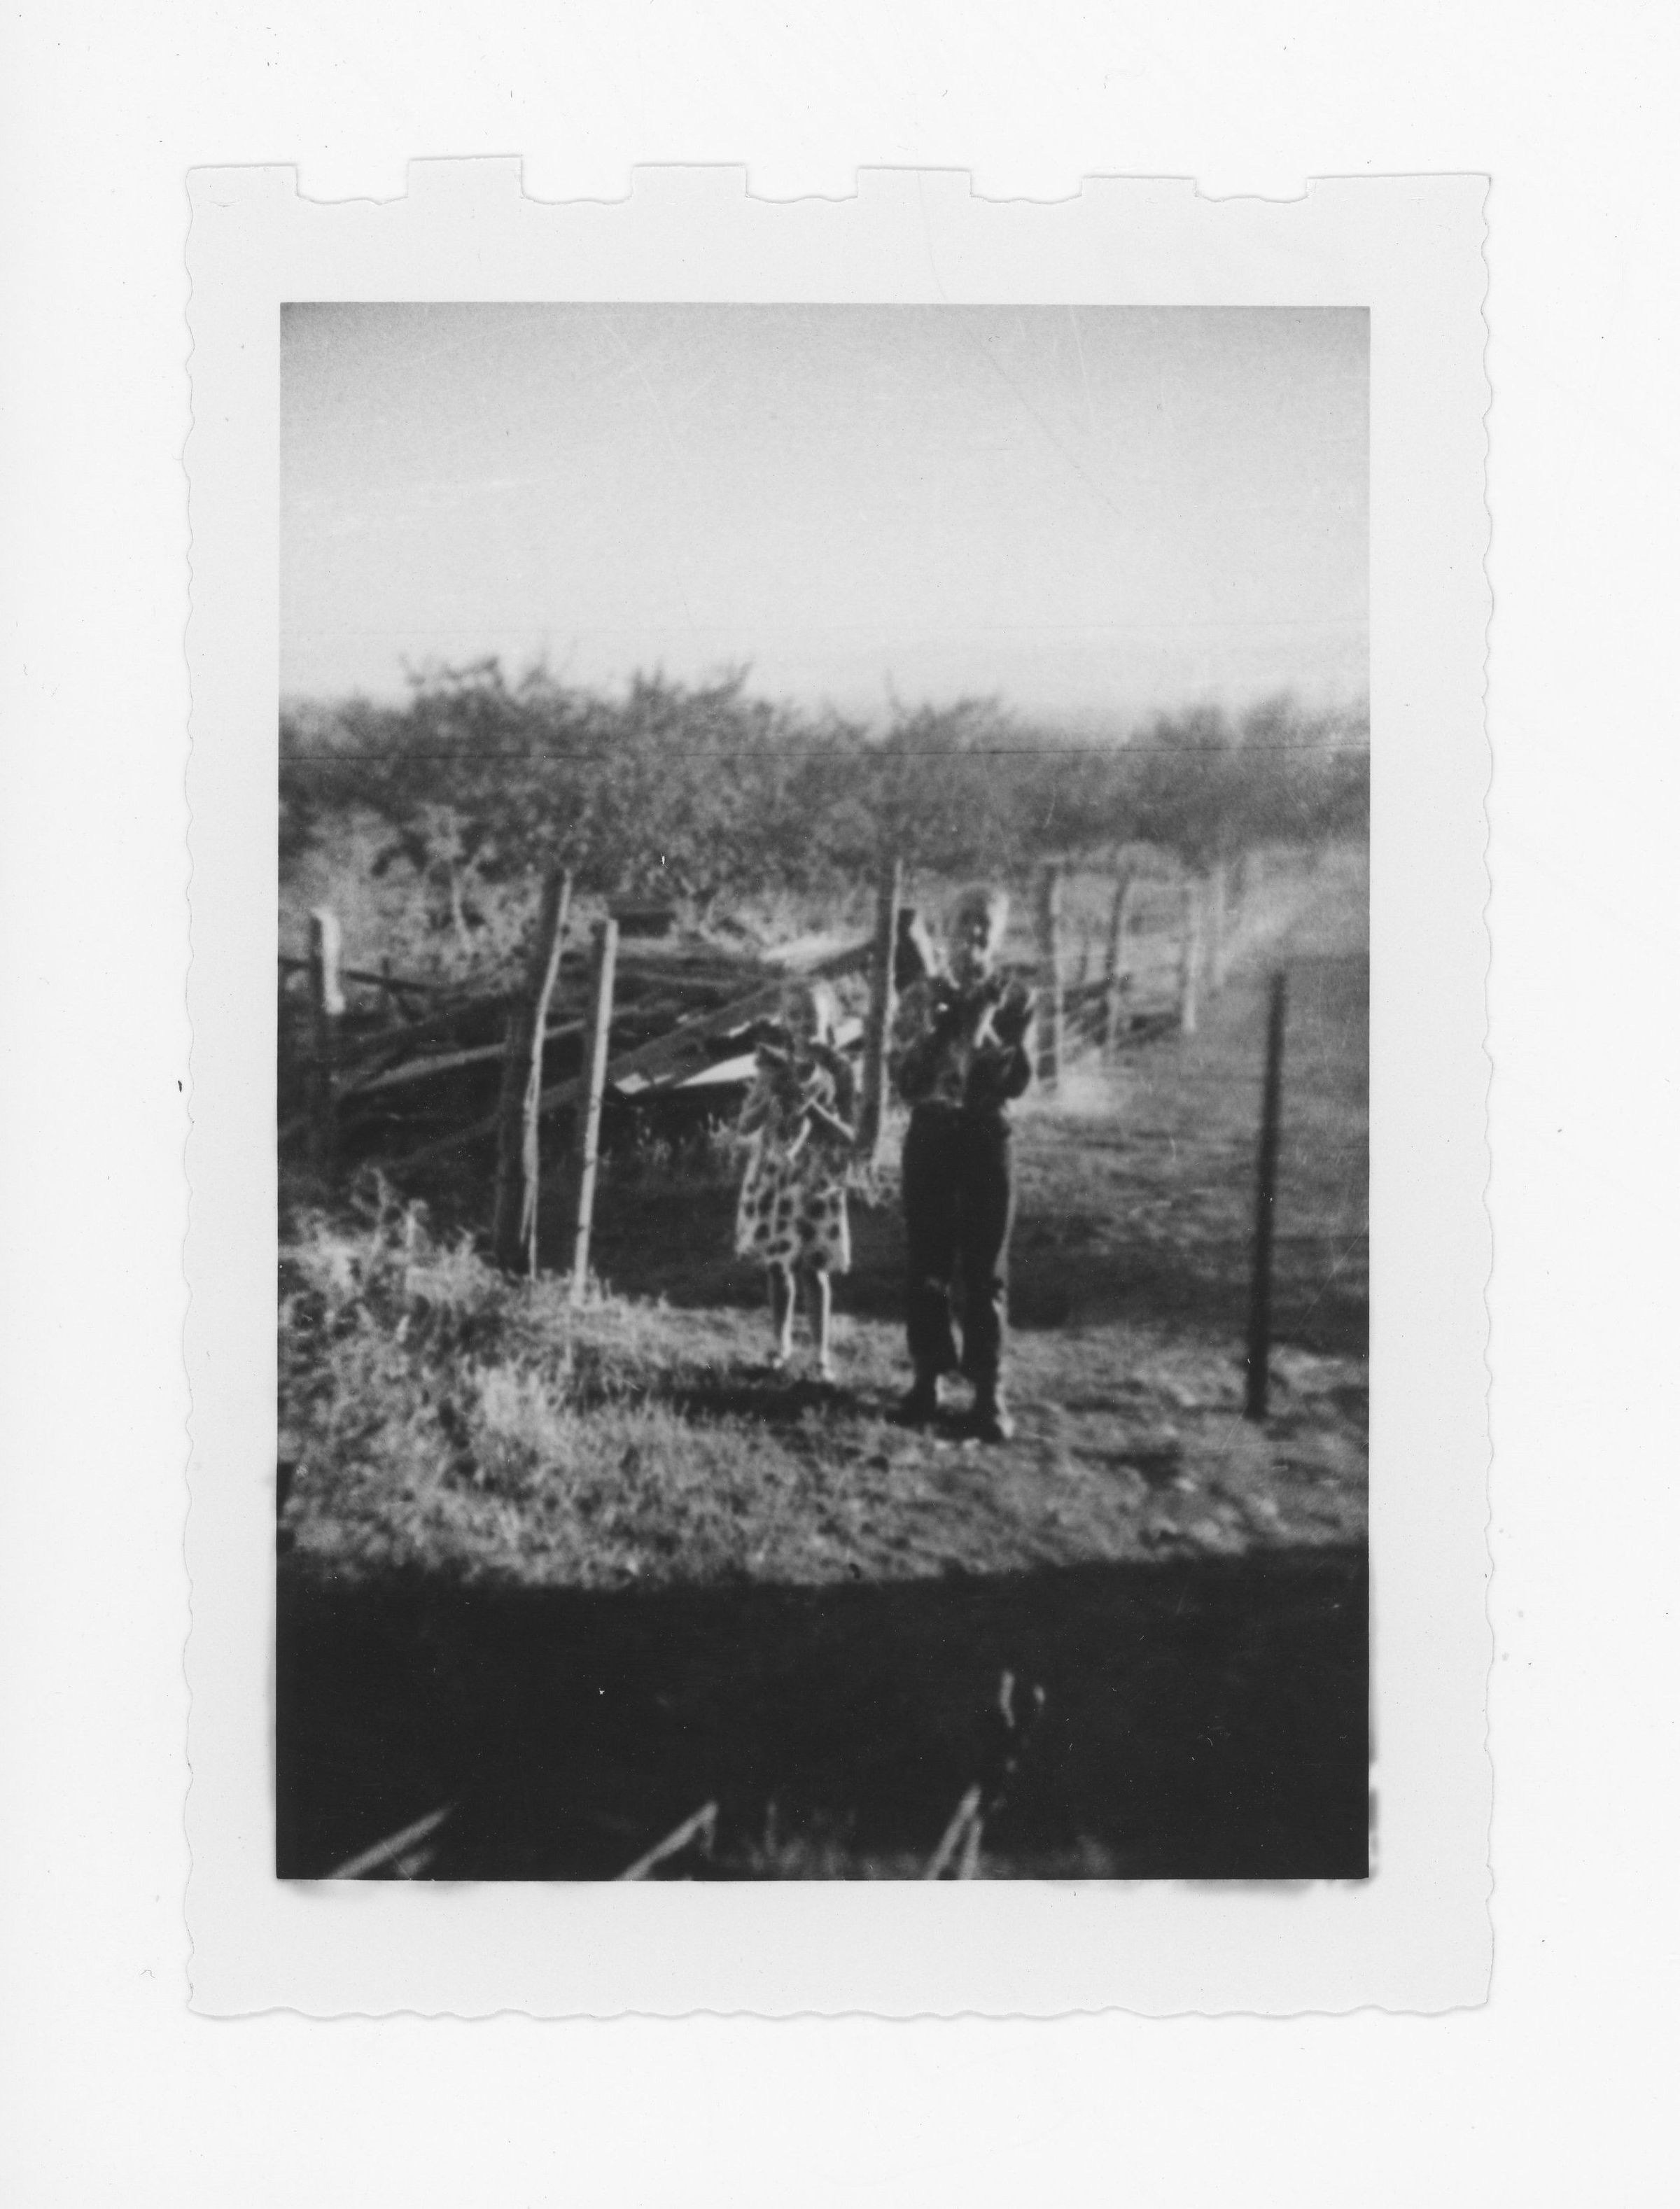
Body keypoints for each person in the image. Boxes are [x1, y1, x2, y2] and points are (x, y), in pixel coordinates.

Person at [890, 883, 1035, 1442]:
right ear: (945, 931)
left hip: (985, 1135)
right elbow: (905, 1081)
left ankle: (988, 1391)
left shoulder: (1016, 998)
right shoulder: (919, 996)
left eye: (984, 926)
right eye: (964, 922)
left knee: (985, 1267)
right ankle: (927, 1379)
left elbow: (1017, 1081)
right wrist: (936, 1030)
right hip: (931, 1134)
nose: (972, 935)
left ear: (996, 939)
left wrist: (986, 1023)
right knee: (926, 1262)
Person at [734, 979, 856, 1380]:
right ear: (784, 1020)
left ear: (829, 1018)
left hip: (818, 1177)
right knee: (778, 1264)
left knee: (814, 1268)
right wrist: (768, 1096)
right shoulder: (774, 1065)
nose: (804, 1023)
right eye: (795, 1015)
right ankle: (780, 1343)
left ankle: (821, 1355)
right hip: (777, 1176)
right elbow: (745, 1124)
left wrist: (814, 1111)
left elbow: (851, 1135)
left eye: (812, 1015)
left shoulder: (840, 1069)